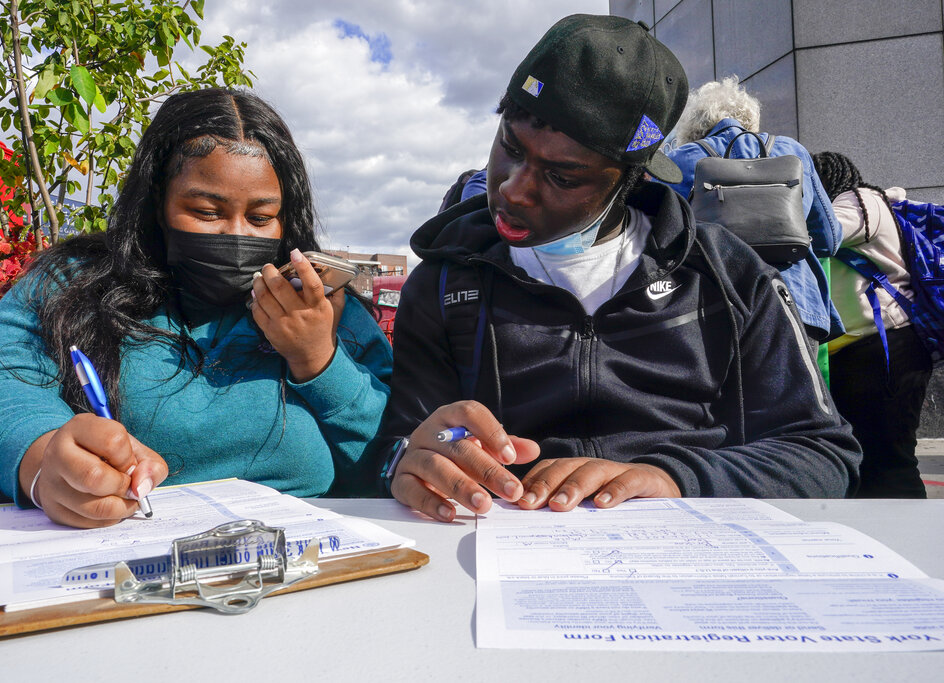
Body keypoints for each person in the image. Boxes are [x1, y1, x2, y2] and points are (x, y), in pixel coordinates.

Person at [378, 15, 861, 523]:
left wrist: (675, 479)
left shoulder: (729, 275)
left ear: (629, 180)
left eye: (562, 177)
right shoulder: (444, 284)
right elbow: (405, 441)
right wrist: (425, 451)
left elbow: (823, 452)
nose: (514, 189)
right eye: (511, 148)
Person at [0, 88, 393, 528]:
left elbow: (384, 455)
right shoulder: (73, 284)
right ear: (158, 202)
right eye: (206, 211)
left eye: (261, 219)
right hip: (125, 553)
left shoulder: (329, 307)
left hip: (307, 559)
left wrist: (317, 358)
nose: (235, 233)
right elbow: (2, 379)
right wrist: (41, 456)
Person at [664, 76, 844, 356]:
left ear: (693, 126)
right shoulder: (791, 152)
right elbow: (829, 240)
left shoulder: (680, 160)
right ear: (750, 118)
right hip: (793, 302)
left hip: (710, 306)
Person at [812, 151, 932, 498]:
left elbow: (823, 232)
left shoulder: (860, 202)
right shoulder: (864, 203)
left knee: (888, 462)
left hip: (886, 349)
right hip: (865, 351)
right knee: (867, 459)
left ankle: (909, 542)